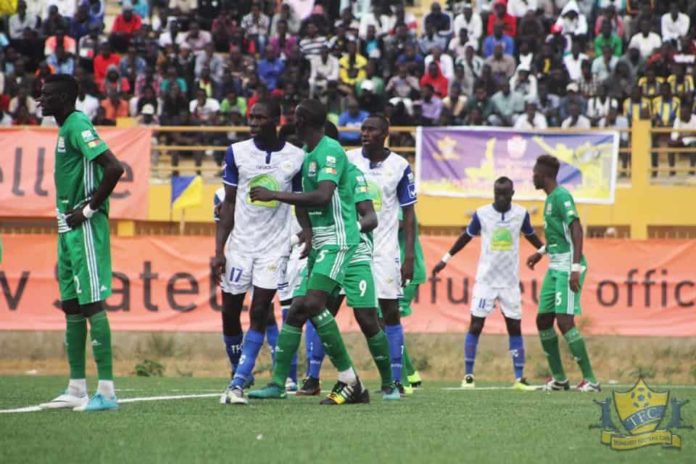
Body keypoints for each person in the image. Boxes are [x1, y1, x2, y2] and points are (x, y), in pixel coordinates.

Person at [248, 100, 368, 405]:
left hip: (339, 240)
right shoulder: (308, 155)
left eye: (295, 118)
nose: (291, 122)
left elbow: (322, 195)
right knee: (299, 308)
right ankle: (277, 383)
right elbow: (304, 200)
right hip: (320, 241)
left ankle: (350, 379)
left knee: (313, 302)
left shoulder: (330, 151)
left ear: (304, 122)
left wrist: (274, 194)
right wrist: (308, 230)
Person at [37, 74, 124, 411]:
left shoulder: (77, 124)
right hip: (66, 226)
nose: (40, 100)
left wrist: (88, 209)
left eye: (47, 95)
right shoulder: (64, 128)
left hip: (84, 226)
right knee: (72, 306)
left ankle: (107, 392)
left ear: (65, 97)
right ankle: (75, 387)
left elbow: (114, 168)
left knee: (90, 304)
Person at [213, 100, 305, 405]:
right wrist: (219, 250)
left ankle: (238, 381)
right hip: (240, 245)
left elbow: (302, 199)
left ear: (275, 120)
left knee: (260, 311)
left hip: (274, 247)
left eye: (259, 117)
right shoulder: (237, 152)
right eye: (251, 117)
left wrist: (307, 231)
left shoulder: (296, 156)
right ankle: (240, 369)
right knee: (229, 314)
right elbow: (227, 203)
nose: (252, 122)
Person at [298, 123, 399, 400]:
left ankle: (389, 384)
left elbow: (371, 218)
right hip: (327, 252)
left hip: (354, 254)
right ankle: (328, 378)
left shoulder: (353, 176)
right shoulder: (312, 173)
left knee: (367, 318)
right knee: (318, 310)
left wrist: (348, 228)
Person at [432, 177, 542, 389]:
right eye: (496, 193)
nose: (500, 198)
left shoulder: (521, 214)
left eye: (504, 194)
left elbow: (532, 237)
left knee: (515, 328)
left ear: (512, 194)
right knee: (475, 325)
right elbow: (465, 237)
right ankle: (468, 376)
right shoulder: (482, 214)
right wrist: (445, 259)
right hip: (486, 282)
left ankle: (519, 378)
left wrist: (545, 251)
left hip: (510, 282)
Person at [343, 115, 418, 394]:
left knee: (389, 313)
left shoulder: (399, 166)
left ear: (385, 133)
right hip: (352, 247)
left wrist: (409, 255)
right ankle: (314, 376)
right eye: (362, 129)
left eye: (371, 129)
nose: (365, 133)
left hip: (385, 250)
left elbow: (409, 214)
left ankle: (395, 381)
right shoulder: (348, 160)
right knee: (339, 309)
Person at [527, 155, 599, 392]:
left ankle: (591, 380)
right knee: (543, 320)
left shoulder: (561, 197)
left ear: (544, 175)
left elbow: (576, 231)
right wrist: (540, 252)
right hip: (554, 265)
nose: (532, 176)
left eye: (535, 173)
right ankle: (559, 379)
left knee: (565, 321)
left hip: (569, 265)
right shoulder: (549, 200)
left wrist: (575, 268)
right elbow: (558, 236)